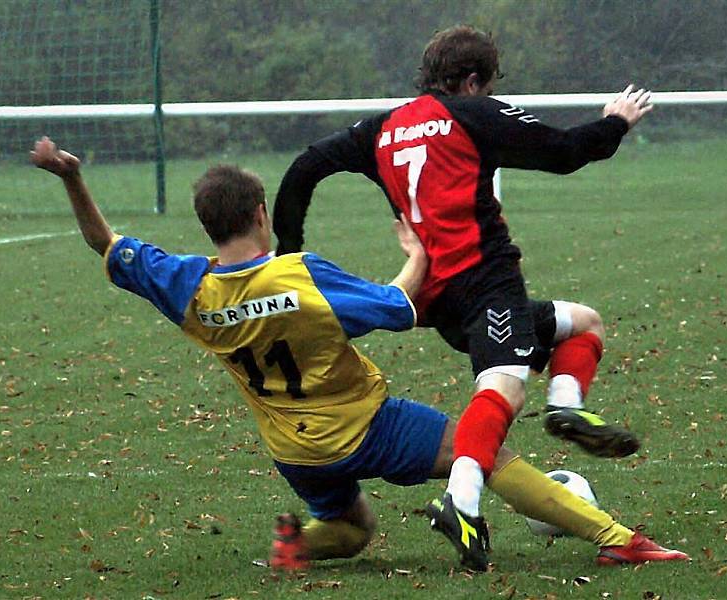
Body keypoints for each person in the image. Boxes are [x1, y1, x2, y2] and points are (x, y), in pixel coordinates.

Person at [30, 136, 687, 573]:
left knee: (352, 531)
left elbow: (104, 243)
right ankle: (615, 539)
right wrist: (417, 254)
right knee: (482, 451)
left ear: (210, 224)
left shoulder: (187, 287)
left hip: (295, 451)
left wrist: (72, 178)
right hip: (371, 427)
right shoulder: (298, 275)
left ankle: (298, 544)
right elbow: (400, 308)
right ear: (262, 213)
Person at [272, 25, 652, 569]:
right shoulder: (473, 114)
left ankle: (567, 409)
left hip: (433, 296)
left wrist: (289, 248)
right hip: (482, 280)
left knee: (583, 323)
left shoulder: (379, 130)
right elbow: (566, 151)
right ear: (474, 81)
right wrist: (616, 121)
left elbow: (306, 166)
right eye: (490, 84)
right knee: (503, 387)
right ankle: (462, 501)